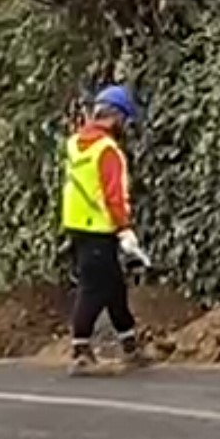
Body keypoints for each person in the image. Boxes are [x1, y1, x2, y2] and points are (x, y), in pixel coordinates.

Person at [61, 83, 151, 375]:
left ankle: (130, 345)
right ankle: (81, 351)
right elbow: (113, 195)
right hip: (101, 229)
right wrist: (125, 231)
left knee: (114, 288)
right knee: (93, 290)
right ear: (116, 118)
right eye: (125, 120)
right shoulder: (108, 151)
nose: (125, 126)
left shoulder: (75, 144)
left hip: (78, 227)